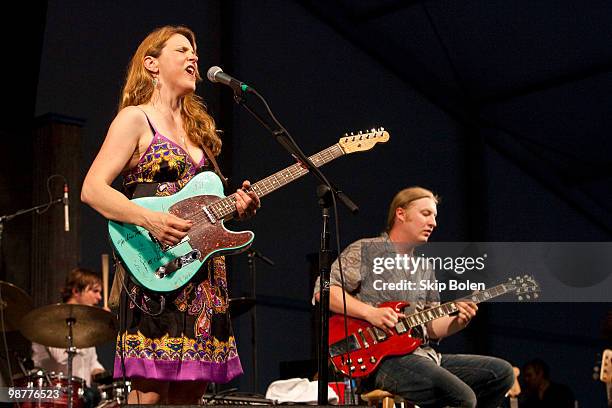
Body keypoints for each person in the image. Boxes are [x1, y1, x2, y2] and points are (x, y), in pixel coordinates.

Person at [81, 25, 260, 404]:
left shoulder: (200, 132)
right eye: (182, 50)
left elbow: (206, 206)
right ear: (152, 64)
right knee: (149, 397)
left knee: (190, 396)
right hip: (154, 264)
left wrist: (237, 208)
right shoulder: (135, 119)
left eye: (194, 51)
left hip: (204, 277)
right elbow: (92, 188)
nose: (193, 57)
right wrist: (150, 219)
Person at [313, 186, 514, 408]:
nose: (434, 223)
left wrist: (458, 321)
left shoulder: (425, 267)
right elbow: (324, 290)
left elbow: (429, 328)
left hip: (422, 355)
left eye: (435, 217)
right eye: (426, 214)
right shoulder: (367, 250)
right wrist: (371, 313)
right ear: (401, 214)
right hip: (381, 360)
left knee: (501, 373)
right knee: (463, 398)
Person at [31, 267, 106, 407]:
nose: (99, 298)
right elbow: (61, 356)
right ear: (76, 291)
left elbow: (92, 364)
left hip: (81, 396)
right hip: (52, 395)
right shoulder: (52, 319)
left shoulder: (85, 325)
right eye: (95, 291)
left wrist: (103, 375)